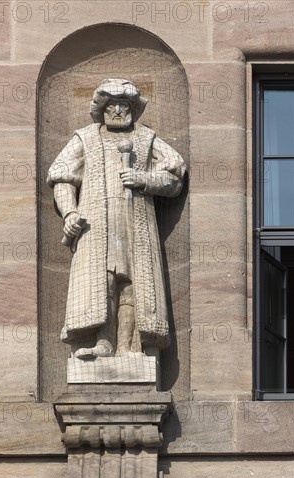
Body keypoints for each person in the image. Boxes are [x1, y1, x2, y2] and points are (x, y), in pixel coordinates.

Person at [47, 78, 186, 360]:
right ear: (102, 108)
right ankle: (103, 342)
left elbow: (175, 175)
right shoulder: (84, 138)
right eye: (112, 104)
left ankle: (128, 346)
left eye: (124, 104)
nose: (119, 110)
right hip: (95, 226)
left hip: (136, 223)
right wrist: (70, 212)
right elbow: (61, 177)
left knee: (132, 283)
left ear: (133, 108)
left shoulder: (147, 138)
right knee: (102, 280)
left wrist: (145, 179)